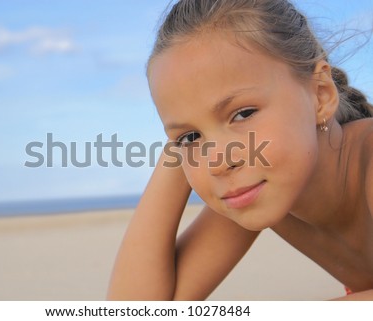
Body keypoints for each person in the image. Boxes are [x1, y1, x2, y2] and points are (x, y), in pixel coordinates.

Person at [107, 0, 373, 300]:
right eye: (191, 137)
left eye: (243, 114)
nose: (218, 163)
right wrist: (183, 140)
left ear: (321, 95)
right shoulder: (260, 191)